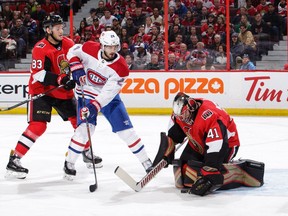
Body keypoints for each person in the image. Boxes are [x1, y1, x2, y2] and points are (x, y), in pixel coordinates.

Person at [5, 15, 102, 180]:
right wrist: (61, 79)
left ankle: (85, 150)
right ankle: (14, 161)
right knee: (38, 126)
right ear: (48, 30)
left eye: (61, 27)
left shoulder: (68, 43)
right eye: (56, 28)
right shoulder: (40, 48)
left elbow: (79, 58)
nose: (60, 31)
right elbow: (39, 74)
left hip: (62, 91)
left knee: (79, 121)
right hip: (41, 91)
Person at [64, 30, 153, 179]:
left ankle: (146, 162)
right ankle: (69, 163)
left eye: (115, 47)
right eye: (109, 47)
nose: (112, 50)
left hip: (108, 98)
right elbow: (72, 52)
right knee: (85, 130)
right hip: (85, 93)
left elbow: (108, 93)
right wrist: (75, 67)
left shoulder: (121, 68)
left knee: (127, 132)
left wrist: (94, 106)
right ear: (102, 46)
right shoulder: (89, 48)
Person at [152, 92, 264, 196]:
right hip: (199, 143)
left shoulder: (210, 115)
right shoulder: (181, 114)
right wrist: (166, 151)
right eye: (179, 116)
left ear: (191, 107)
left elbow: (217, 145)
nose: (182, 119)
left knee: (209, 177)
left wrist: (210, 170)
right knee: (183, 171)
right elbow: (174, 135)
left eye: (184, 115)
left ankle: (238, 174)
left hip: (226, 144)